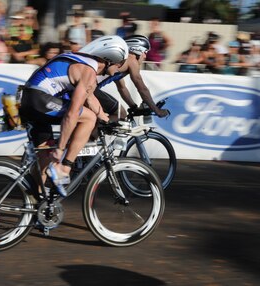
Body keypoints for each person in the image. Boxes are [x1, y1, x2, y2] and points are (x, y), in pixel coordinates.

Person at [19, 36, 128, 196]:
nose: (120, 68)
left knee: (44, 158)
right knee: (89, 118)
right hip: (39, 99)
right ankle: (65, 167)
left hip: (29, 99)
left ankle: (38, 208)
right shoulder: (88, 72)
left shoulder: (83, 63)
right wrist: (61, 149)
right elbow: (72, 114)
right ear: (109, 60)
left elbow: (90, 98)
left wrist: (106, 120)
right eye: (119, 63)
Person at [90, 35, 170, 122]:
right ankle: (93, 133)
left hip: (90, 87)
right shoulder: (131, 60)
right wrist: (156, 110)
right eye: (145, 52)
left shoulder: (121, 60)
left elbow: (122, 88)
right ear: (137, 50)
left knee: (98, 116)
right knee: (121, 114)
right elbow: (141, 88)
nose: (145, 57)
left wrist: (133, 107)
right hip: (91, 88)